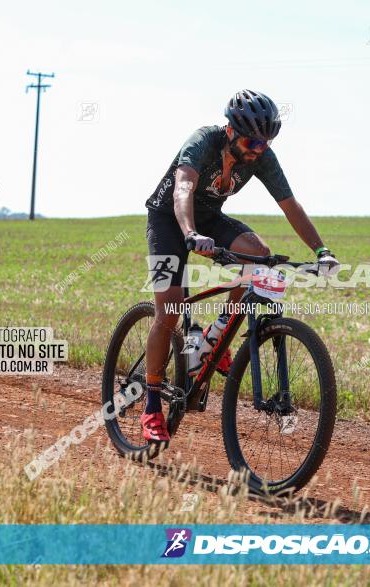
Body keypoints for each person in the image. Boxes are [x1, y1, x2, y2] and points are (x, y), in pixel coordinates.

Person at [141, 89, 340, 444]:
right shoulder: (203, 141)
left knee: (258, 255)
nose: (257, 149)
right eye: (252, 141)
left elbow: (290, 205)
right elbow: (183, 188)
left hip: (209, 219)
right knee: (168, 311)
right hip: (168, 220)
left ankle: (214, 338)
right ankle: (152, 402)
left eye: (265, 144)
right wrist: (190, 233)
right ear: (230, 130)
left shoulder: (261, 156)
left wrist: (321, 250)